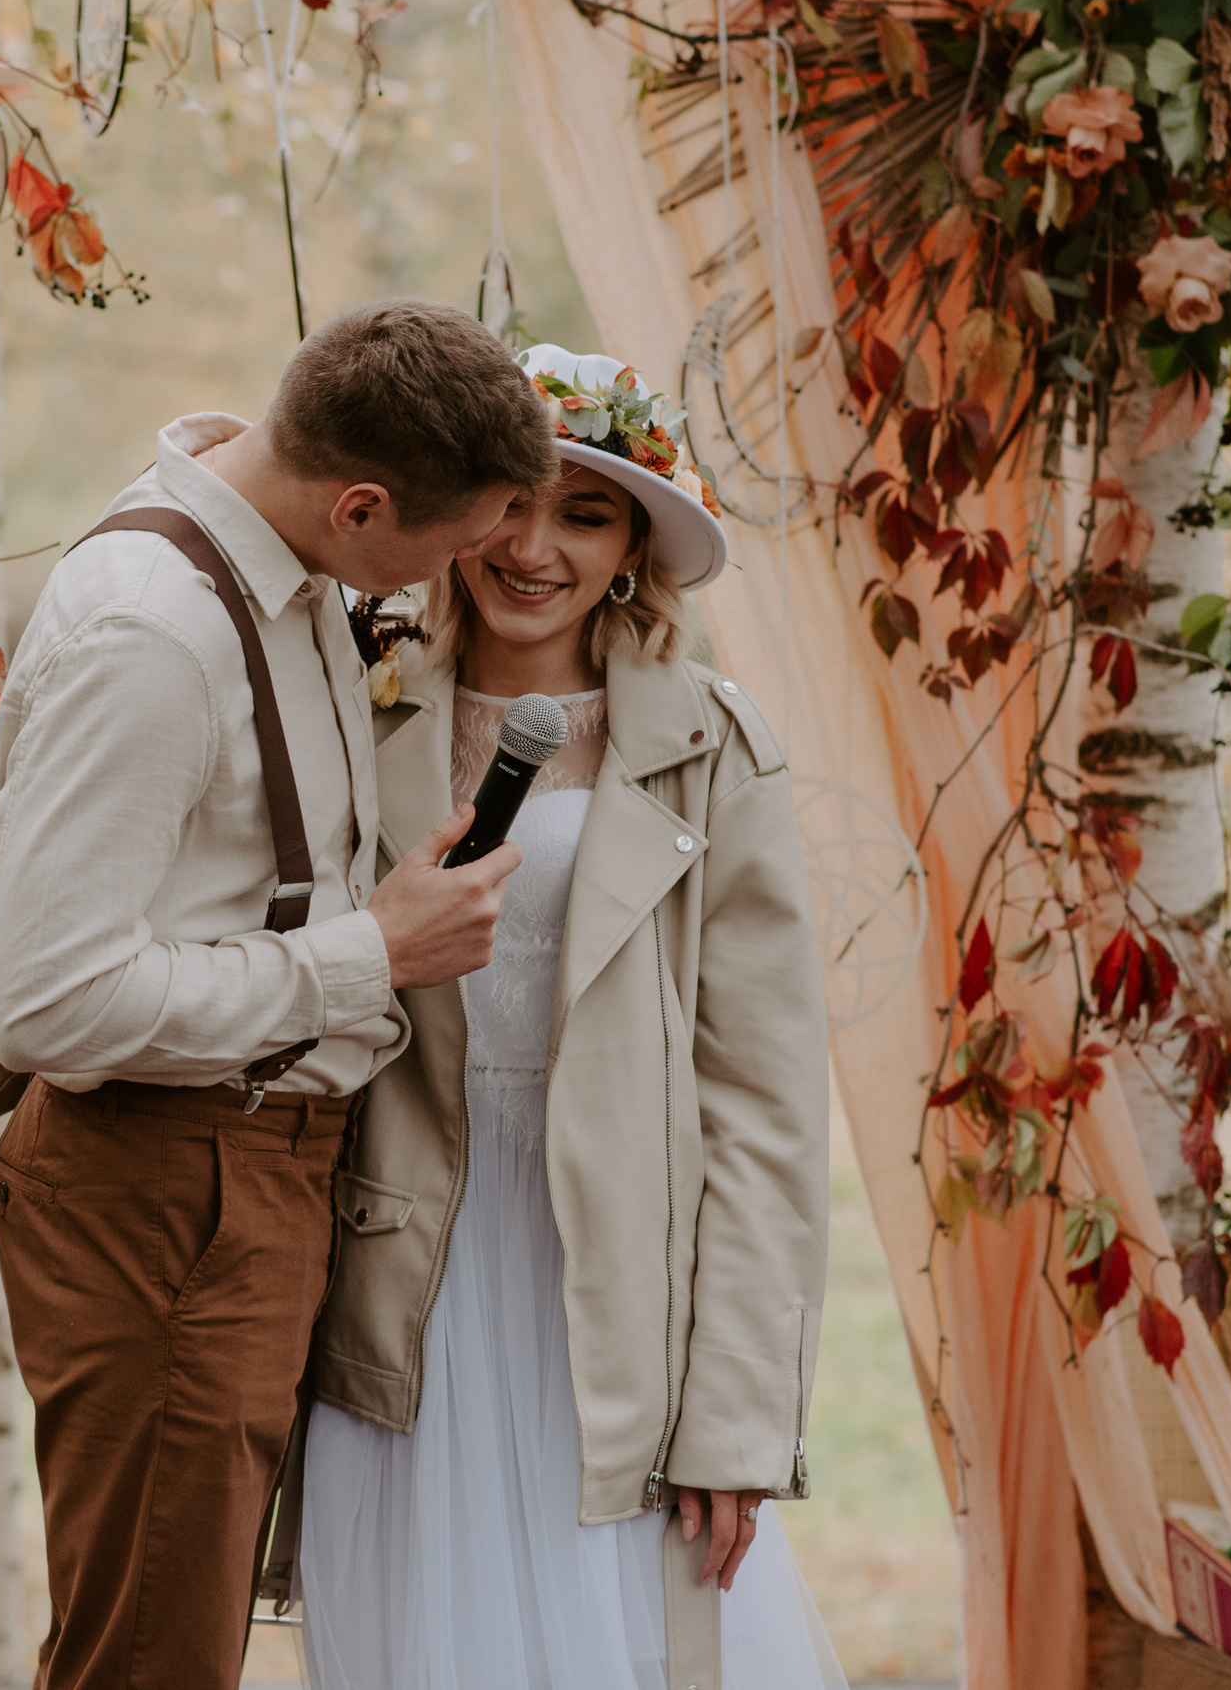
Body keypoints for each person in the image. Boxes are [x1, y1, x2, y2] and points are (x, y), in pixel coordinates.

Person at [0, 299, 558, 1690]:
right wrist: (376, 951)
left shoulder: (285, 569)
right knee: (150, 1659)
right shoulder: (158, 633)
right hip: (171, 1196)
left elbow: (138, 899)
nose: (466, 573)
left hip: (232, 1182)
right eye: (454, 544)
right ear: (360, 502)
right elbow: (71, 994)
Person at [290, 344, 846, 1690]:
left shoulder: (712, 747)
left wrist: (735, 1413)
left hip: (616, 1294)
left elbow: (766, 1110)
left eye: (585, 515)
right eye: (514, 502)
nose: (533, 547)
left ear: (634, 550)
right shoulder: (352, 706)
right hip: (399, 1269)